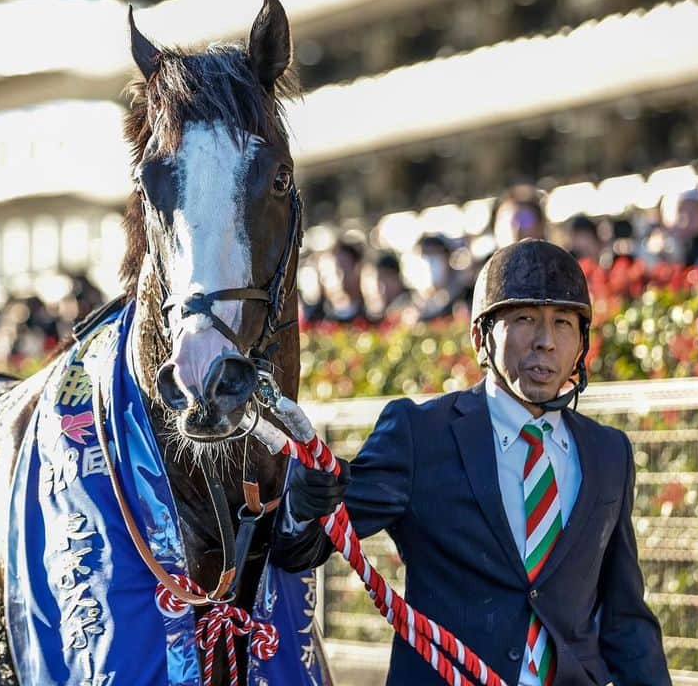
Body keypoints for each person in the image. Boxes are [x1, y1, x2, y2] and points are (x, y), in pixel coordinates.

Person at [274, 239, 670, 685]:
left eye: (563, 324)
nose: (545, 342)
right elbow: (304, 547)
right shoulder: (418, 434)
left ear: (581, 344)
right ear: (481, 336)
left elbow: (626, 619)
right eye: (524, 319)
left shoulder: (609, 452)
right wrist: (302, 507)